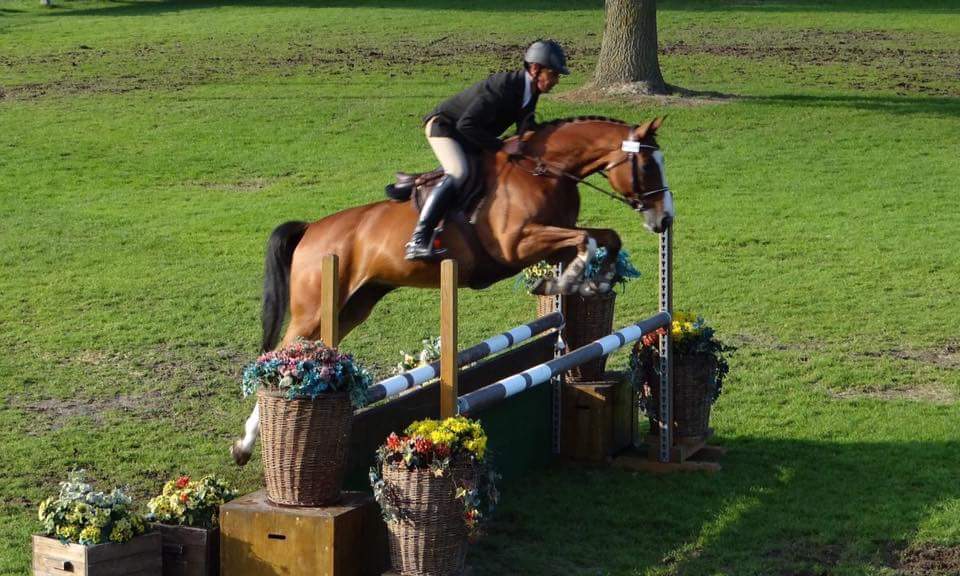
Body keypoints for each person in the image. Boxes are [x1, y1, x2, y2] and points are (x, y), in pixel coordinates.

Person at [404, 39, 570, 260]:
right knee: (458, 172)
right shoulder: (503, 86)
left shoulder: (530, 92)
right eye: (554, 74)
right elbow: (466, 124)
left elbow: (526, 126)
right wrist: (502, 145)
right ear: (535, 69)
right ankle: (418, 240)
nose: (556, 80)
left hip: (470, 136)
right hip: (444, 128)